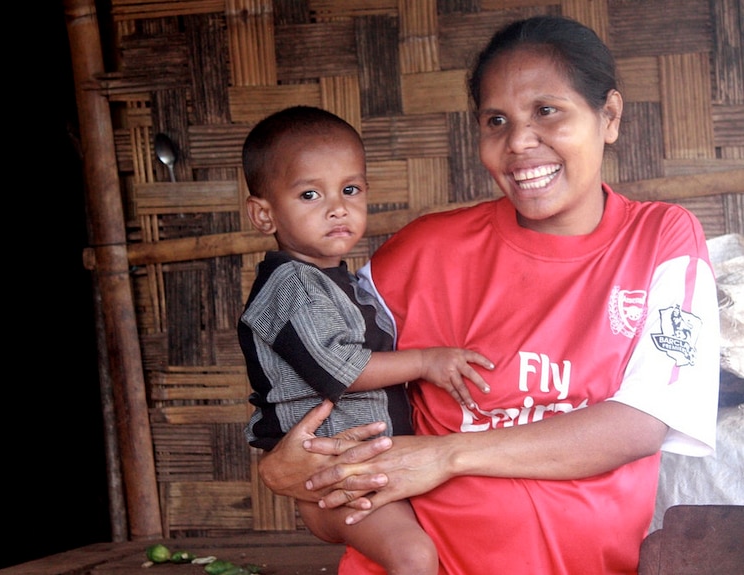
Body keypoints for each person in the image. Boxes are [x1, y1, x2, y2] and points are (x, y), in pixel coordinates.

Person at [255, 16, 721, 575]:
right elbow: (320, 401)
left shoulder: (660, 239)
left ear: (610, 116)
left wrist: (446, 455)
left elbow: (643, 422)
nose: (519, 142)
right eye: (496, 120)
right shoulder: (422, 252)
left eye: (547, 111)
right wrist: (292, 473)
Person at [238, 105, 495, 575]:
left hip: (362, 467)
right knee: (413, 558)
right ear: (263, 214)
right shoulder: (290, 285)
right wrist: (426, 362)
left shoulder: (342, 282)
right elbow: (342, 370)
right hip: (334, 470)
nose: (337, 207)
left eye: (350, 190)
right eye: (310, 194)